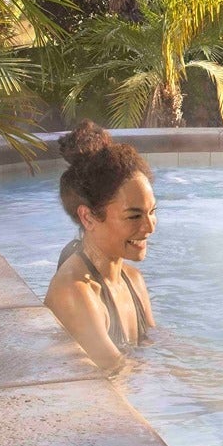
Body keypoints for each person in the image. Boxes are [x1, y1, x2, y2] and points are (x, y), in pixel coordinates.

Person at [44, 121, 158, 370]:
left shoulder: (133, 280)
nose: (149, 227)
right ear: (88, 217)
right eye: (134, 216)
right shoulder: (74, 293)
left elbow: (156, 346)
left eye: (152, 212)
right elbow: (116, 371)